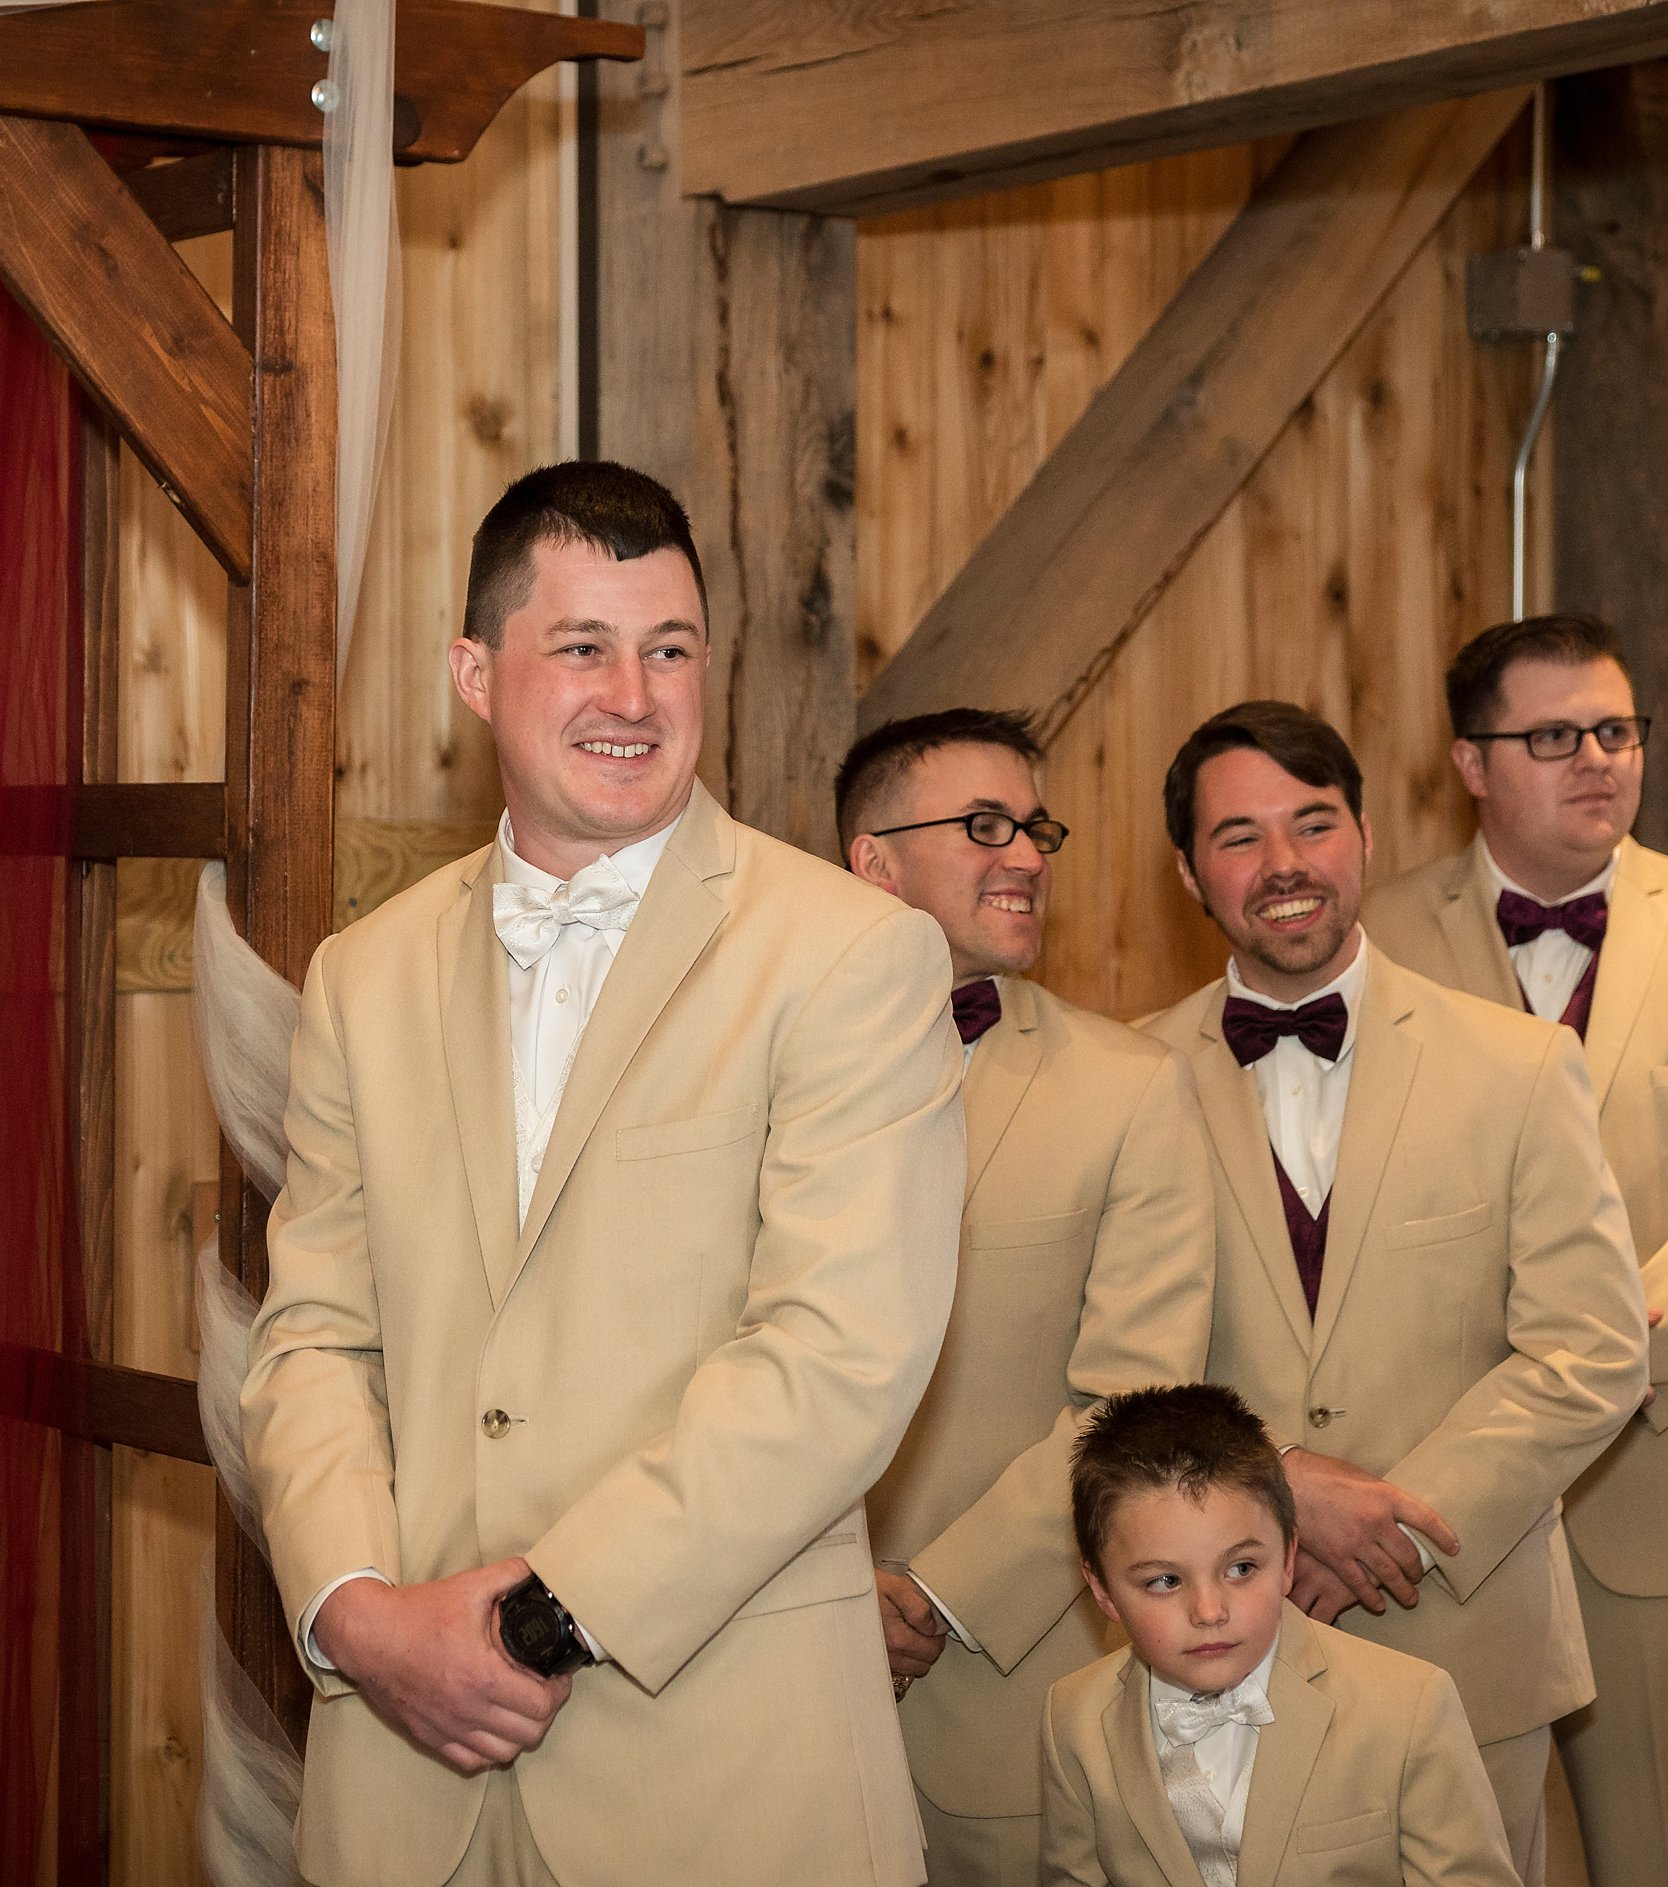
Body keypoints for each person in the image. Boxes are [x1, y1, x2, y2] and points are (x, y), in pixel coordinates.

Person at [240, 461, 964, 1887]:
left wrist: (532, 1624)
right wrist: (358, 1613)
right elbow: (315, 1333)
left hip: (722, 1778)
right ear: (473, 670)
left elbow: (837, 1357)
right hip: (403, 1777)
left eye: (671, 649)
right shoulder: (358, 975)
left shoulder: (849, 954)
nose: (632, 696)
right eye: (581, 646)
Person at [1363, 614, 1668, 1887]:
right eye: (1554, 736)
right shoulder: (1378, 941)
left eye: (1617, 731)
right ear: (1472, 764)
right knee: (1452, 1855)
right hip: (1450, 1485)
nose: (1598, 760)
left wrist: (1598, 1343)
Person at [1140, 700, 1646, 1882]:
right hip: (1220, 1639)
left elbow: (1595, 1349)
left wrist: (1395, 1524)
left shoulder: (1521, 1066)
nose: (1285, 867)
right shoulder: (1128, 1080)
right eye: (1239, 837)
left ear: (1364, 837)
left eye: (1313, 825)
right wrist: (1276, 1490)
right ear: (1186, 872)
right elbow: (1117, 1359)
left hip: (1471, 1631)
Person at [836, 707, 1214, 1885]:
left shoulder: (1132, 1090)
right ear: (874, 861)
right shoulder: (754, 1066)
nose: (1030, 855)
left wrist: (930, 1594)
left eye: (1035, 827)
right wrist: (821, 1583)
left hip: (1003, 1682)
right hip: (765, 1669)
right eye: (985, 825)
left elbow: (1130, 1398)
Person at [1039, 1383, 1520, 1887]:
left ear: (1288, 1559)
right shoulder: (1074, 1718)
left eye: (1241, 1568)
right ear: (1103, 1590)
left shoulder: (1408, 1706)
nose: (1209, 1611)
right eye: (1165, 1581)